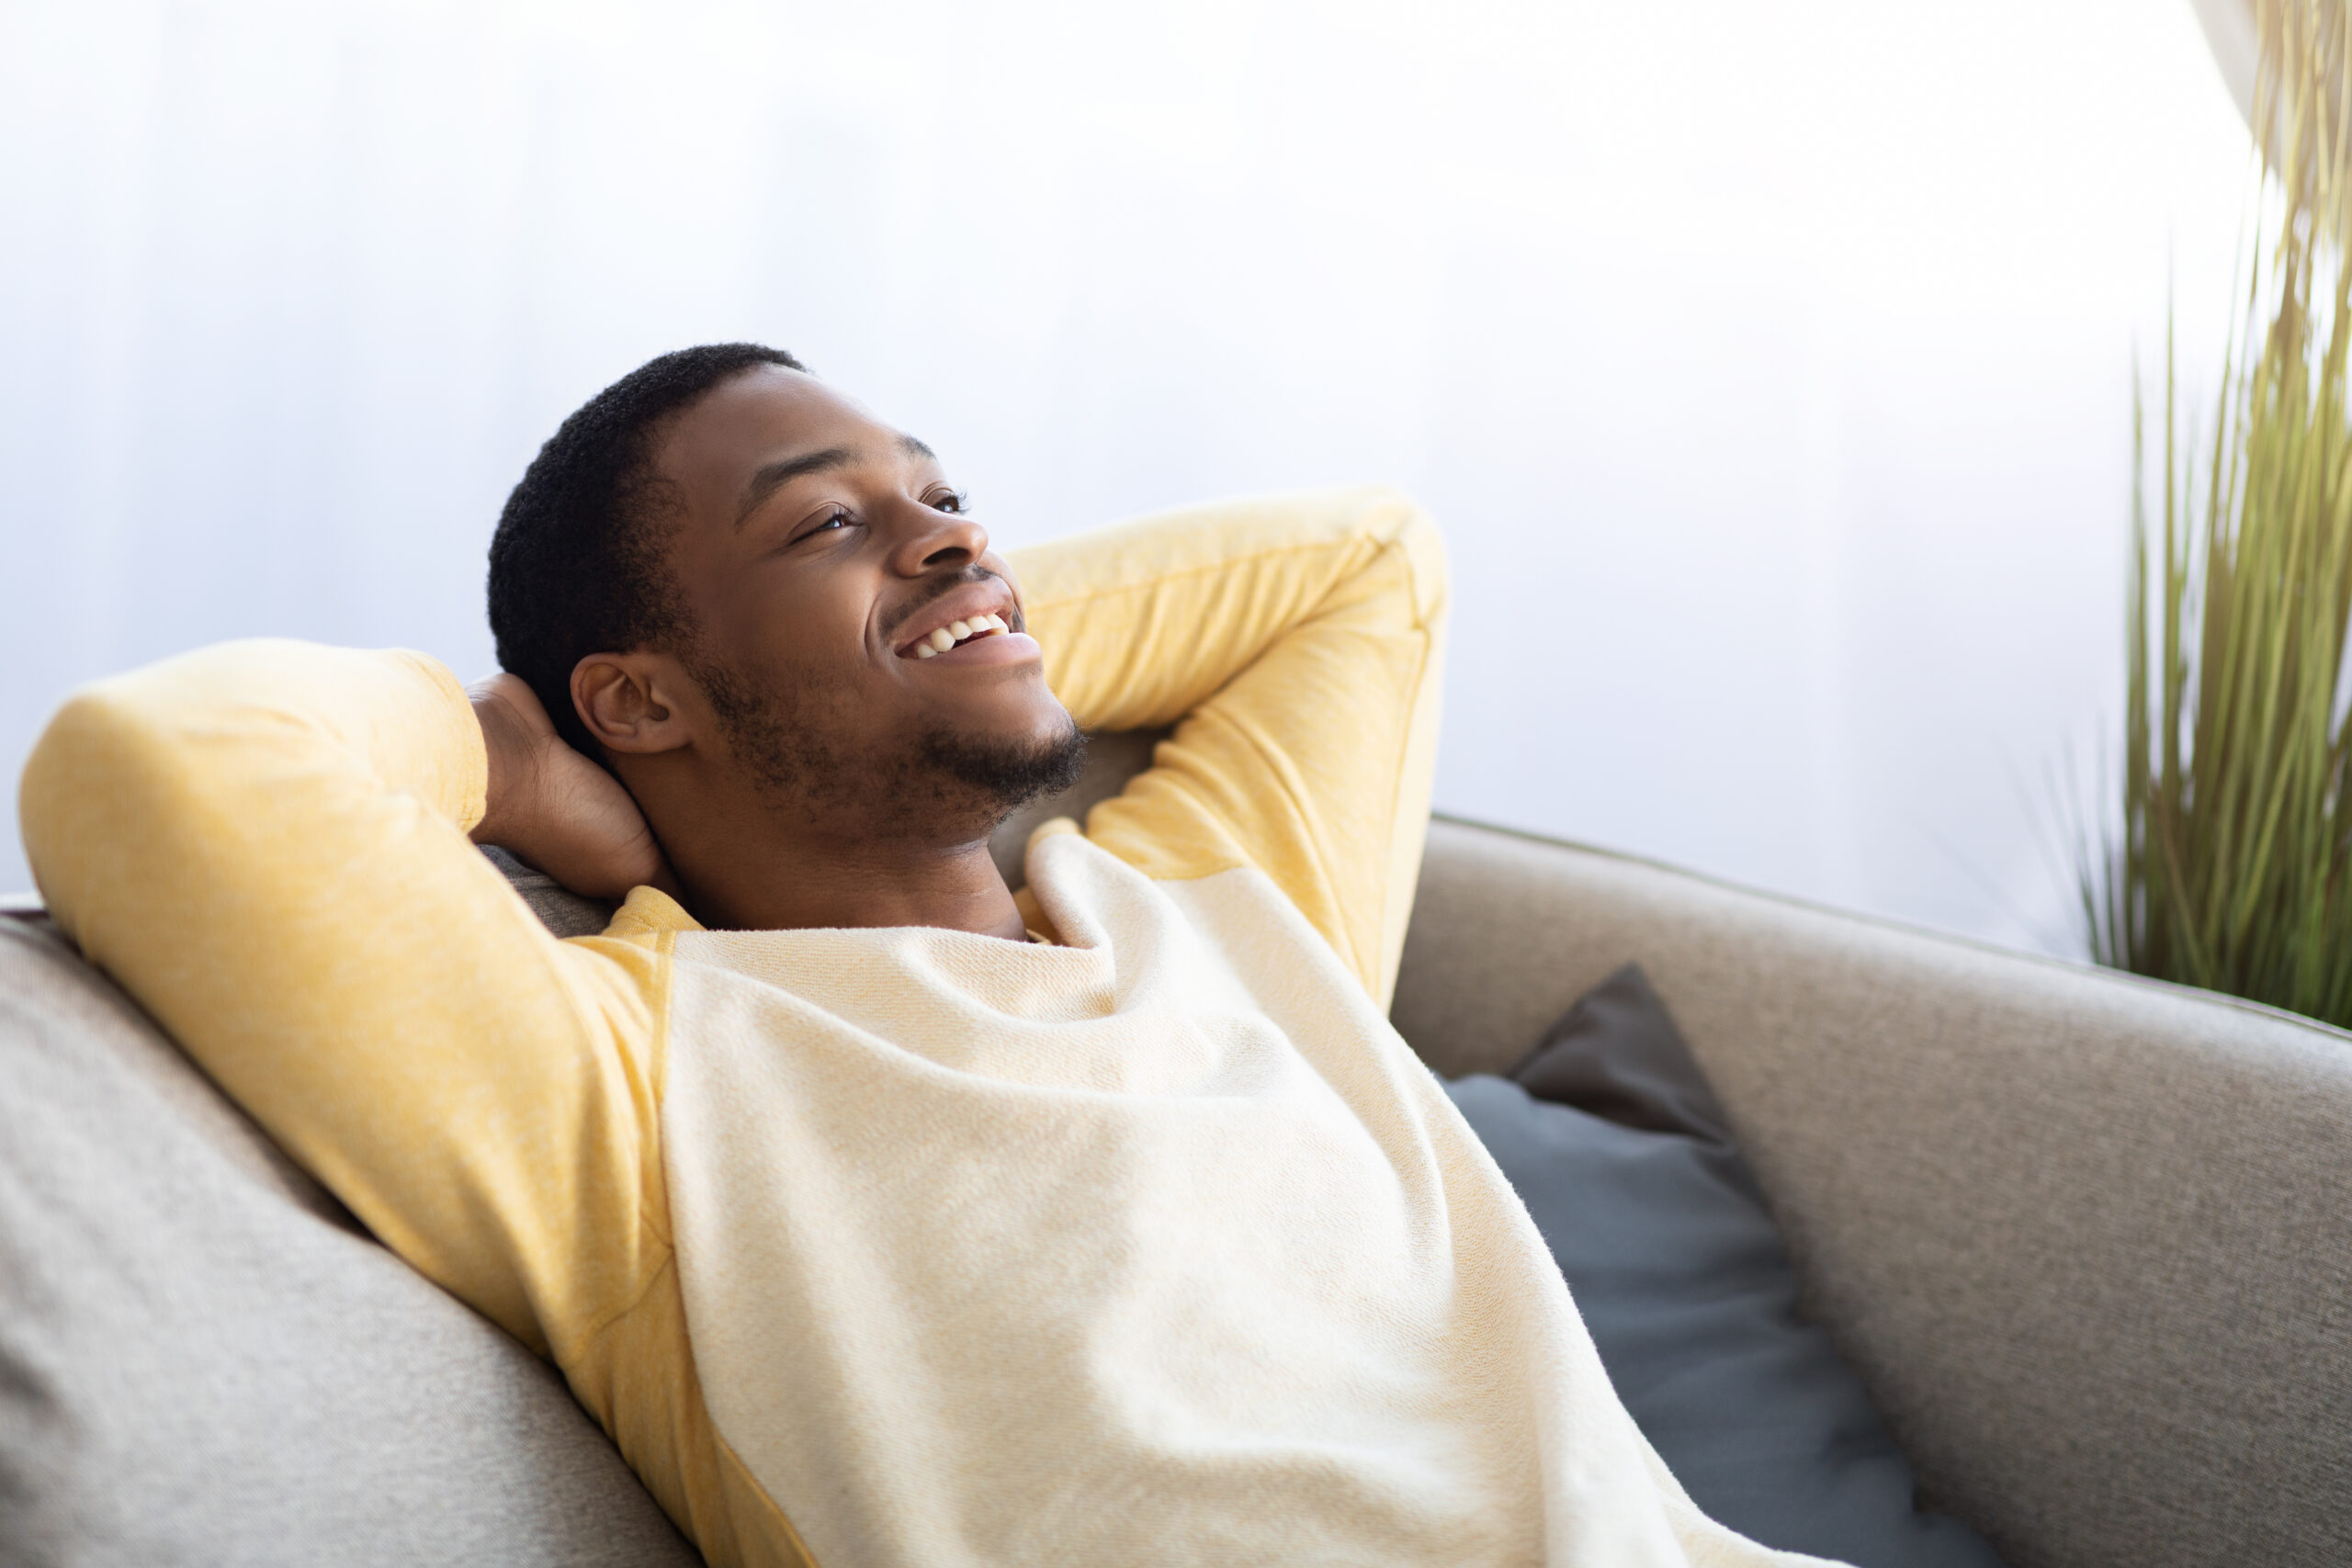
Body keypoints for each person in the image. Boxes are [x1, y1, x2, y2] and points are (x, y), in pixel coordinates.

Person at [19, 345, 1823, 1567]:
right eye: (825, 518)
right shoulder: (631, 1092)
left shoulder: (1218, 906)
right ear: (636, 693)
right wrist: (499, 758)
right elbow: (148, 763)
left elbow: (1360, 560)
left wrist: (941, 615)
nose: (952, 527)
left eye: (944, 492)